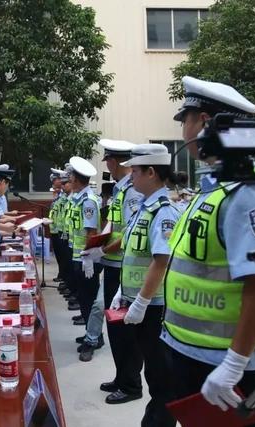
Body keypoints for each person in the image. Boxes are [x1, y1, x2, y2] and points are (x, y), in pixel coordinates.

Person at [161, 76, 255, 426]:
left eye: (185, 119)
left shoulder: (248, 194)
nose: (183, 128)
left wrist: (234, 363)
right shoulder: (214, 187)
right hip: (192, 352)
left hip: (227, 366)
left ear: (204, 123)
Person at [115, 144, 180, 426]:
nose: (130, 176)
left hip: (154, 307)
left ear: (151, 172)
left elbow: (161, 261)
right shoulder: (144, 208)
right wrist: (123, 291)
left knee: (160, 377)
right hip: (139, 302)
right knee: (153, 373)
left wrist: (141, 301)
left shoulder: (163, 212)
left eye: (135, 171)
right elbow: (134, 255)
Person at [79, 139, 145, 393]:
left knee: (125, 328)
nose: (106, 163)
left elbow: (128, 232)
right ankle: (121, 378)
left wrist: (101, 249)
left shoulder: (132, 191)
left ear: (114, 161)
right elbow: (112, 224)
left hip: (125, 268)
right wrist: (99, 245)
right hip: (113, 265)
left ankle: (131, 384)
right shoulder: (120, 189)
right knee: (114, 326)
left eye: (107, 159)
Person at [65, 157, 102, 341]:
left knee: (89, 300)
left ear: (77, 180)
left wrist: (88, 259)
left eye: (71, 177)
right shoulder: (79, 199)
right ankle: (90, 334)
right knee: (84, 299)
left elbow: (91, 232)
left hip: (85, 260)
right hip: (78, 256)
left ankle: (94, 338)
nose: (69, 180)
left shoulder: (88, 201)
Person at [48, 168, 67, 283]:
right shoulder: (58, 194)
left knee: (64, 256)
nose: (53, 182)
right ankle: (62, 274)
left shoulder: (65, 195)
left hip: (62, 230)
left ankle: (63, 276)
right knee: (59, 256)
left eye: (55, 179)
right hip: (55, 229)